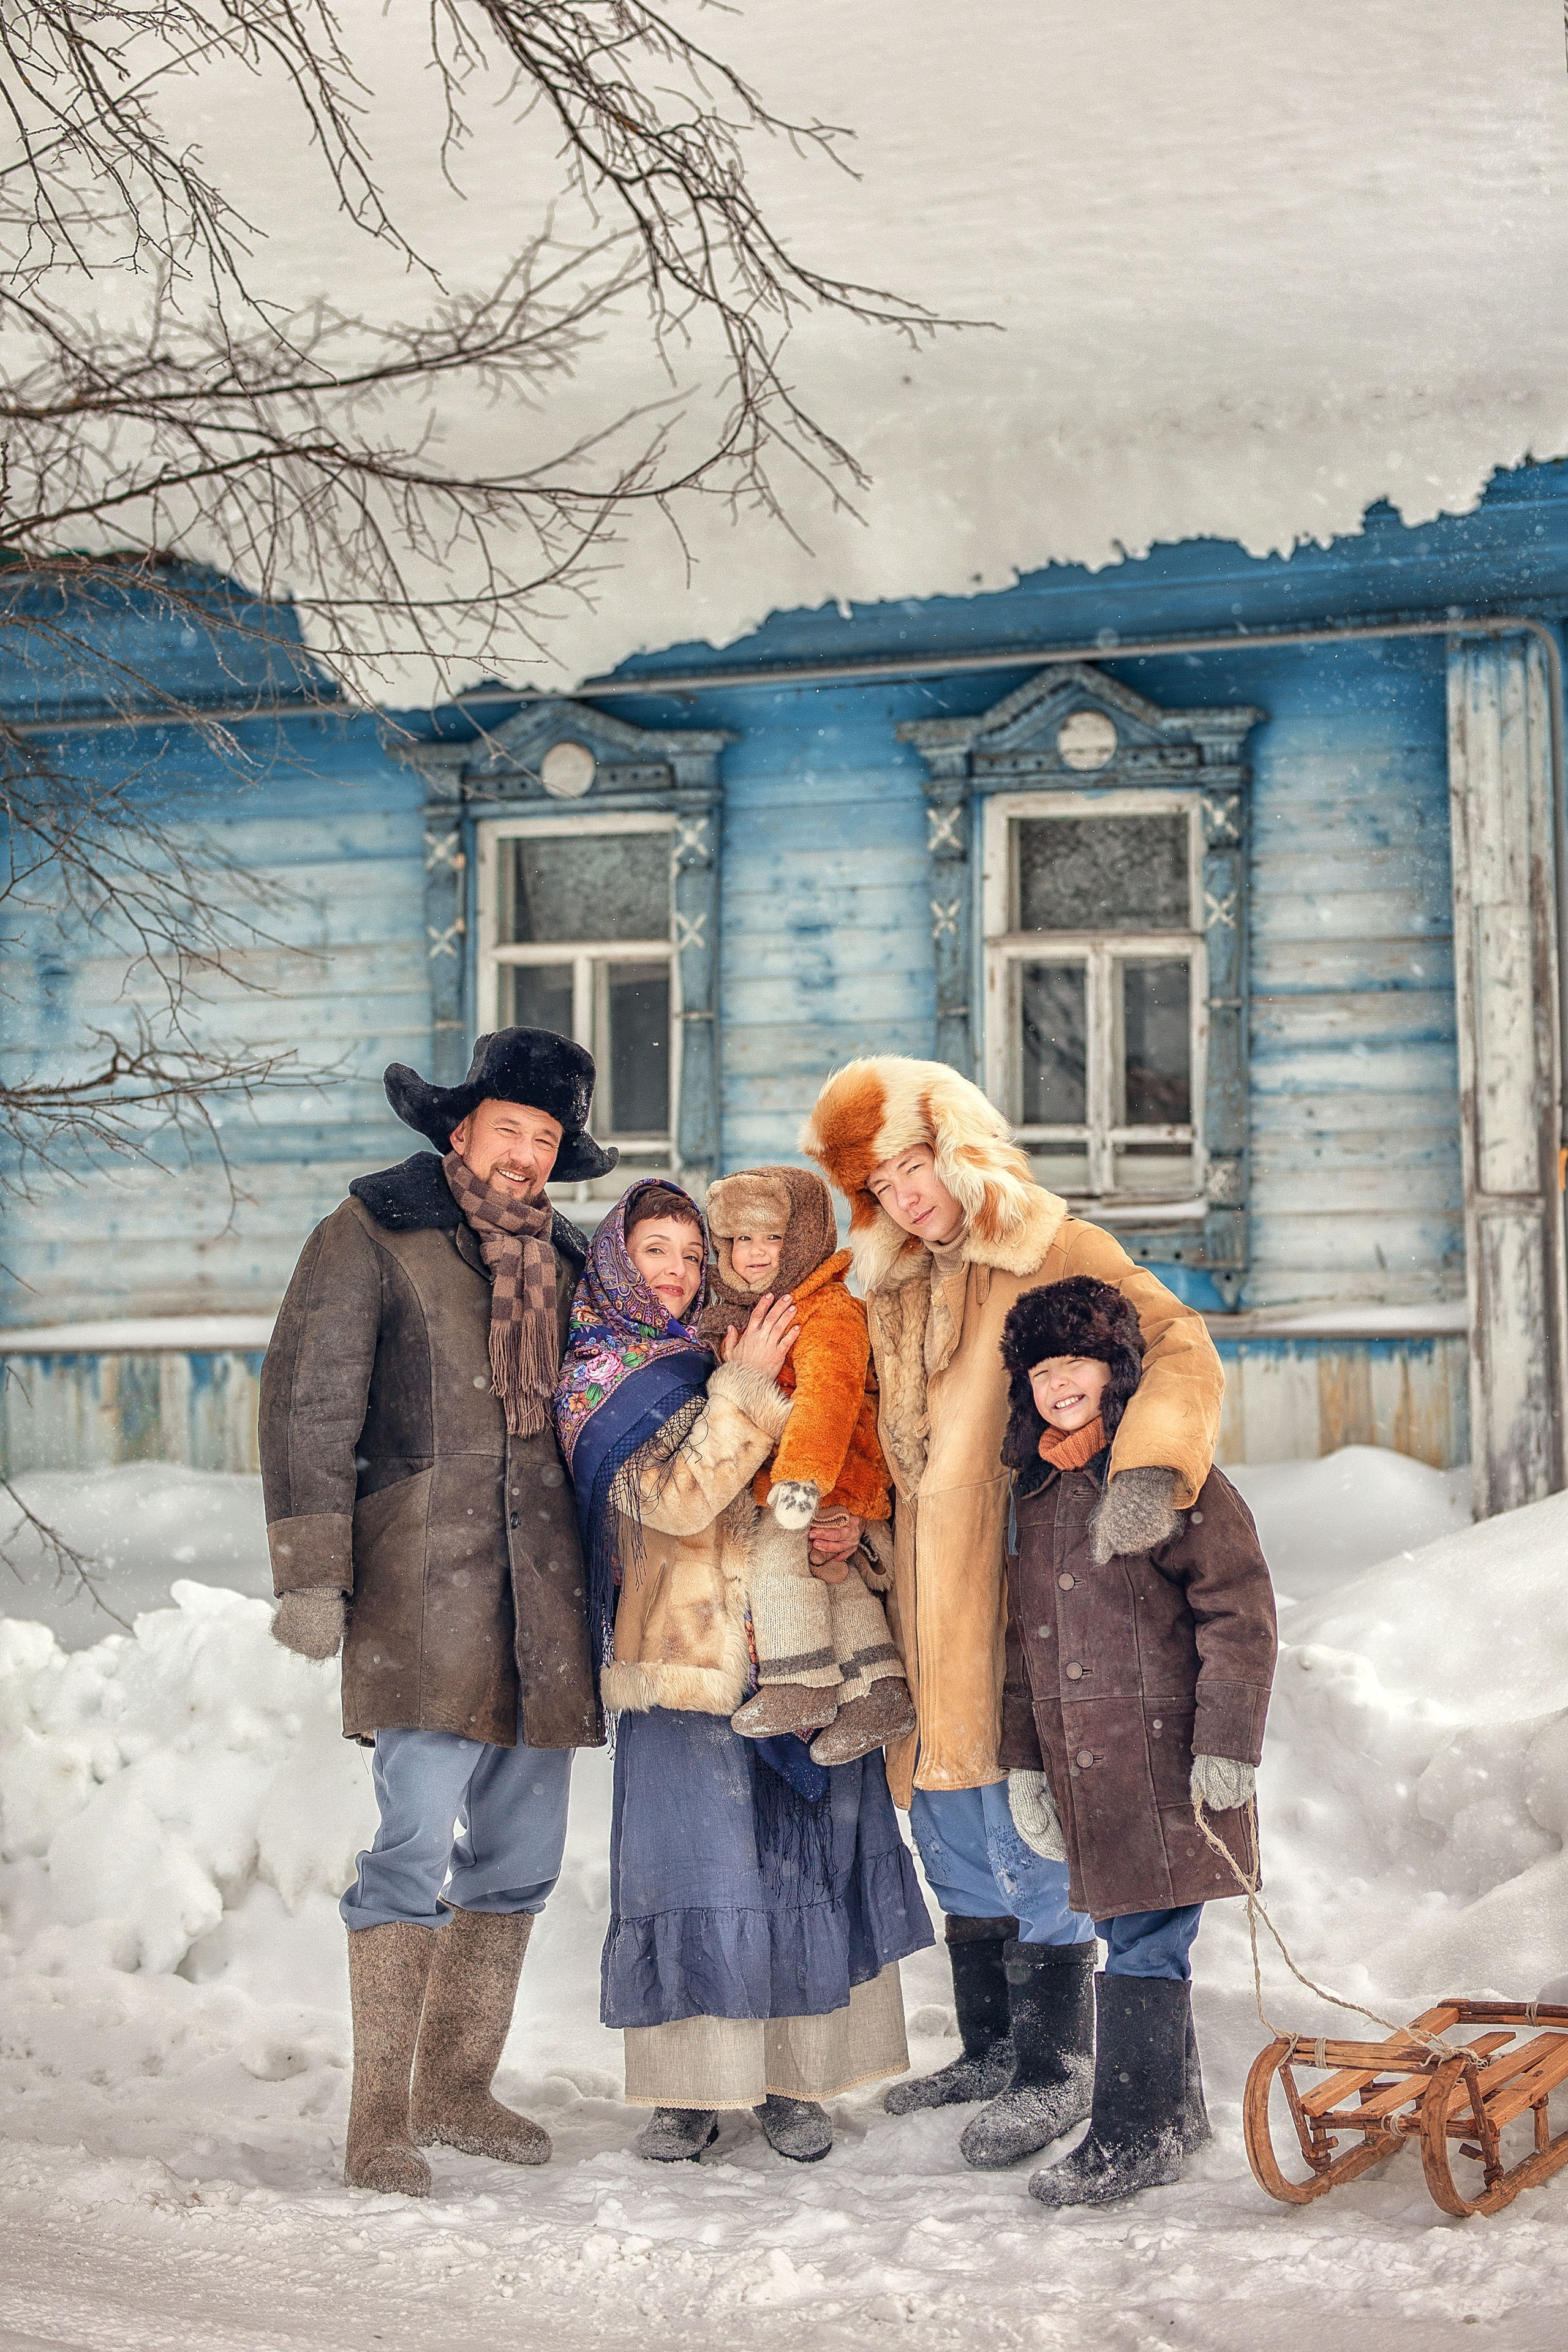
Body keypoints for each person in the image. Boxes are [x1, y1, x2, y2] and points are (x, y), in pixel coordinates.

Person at [799, 1055, 1226, 2171]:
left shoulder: (1050, 1247)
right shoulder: (881, 1277)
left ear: (962, 1146)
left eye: (914, 1165)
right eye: (879, 1183)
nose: (904, 1196)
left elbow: (1178, 1345)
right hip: (913, 1591)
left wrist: (1147, 1474)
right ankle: (993, 2042)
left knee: (1026, 1819)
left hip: (1020, 1582)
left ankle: (1059, 2063)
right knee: (948, 1825)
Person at [260, 1027, 615, 2196]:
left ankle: (458, 2085)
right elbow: (311, 1403)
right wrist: (313, 1570)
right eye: (510, 1129)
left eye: (546, 1138)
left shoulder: (568, 1261)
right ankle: (378, 2119)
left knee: (518, 1859)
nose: (525, 1155)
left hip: (548, 1599)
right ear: (461, 1128)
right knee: (411, 1845)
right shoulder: (370, 1231)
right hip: (425, 1587)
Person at [555, 1177, 935, 2165]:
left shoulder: (736, 1336)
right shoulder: (602, 1373)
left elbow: (823, 1455)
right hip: (678, 1656)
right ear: (617, 1260)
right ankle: (690, 2093)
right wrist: (750, 1389)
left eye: (693, 1252)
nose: (681, 1272)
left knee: (792, 1858)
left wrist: (849, 1523)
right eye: (658, 1252)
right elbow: (678, 1499)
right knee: (698, 1871)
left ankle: (795, 2080)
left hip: (786, 1642)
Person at [998, 1275, 1277, 2204]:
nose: (1058, 1383)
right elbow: (1020, 1646)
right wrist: (1025, 1765)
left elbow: (1238, 1610)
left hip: (1165, 1759)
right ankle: (1175, 2113)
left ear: (1115, 1369)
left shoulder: (1163, 1475)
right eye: (1040, 1368)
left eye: (1073, 1361)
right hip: (1088, 1768)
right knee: (1129, 1929)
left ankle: (1136, 2136)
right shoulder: (1035, 1488)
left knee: (1148, 1945)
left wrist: (1227, 1743)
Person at [698, 1164, 916, 1766]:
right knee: (830, 1580)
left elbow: (829, 1401)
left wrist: (798, 1485)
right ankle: (879, 1691)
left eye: (770, 1238)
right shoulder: (745, 1312)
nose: (753, 1255)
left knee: (777, 1556)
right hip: (803, 1482)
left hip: (826, 1476)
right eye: (739, 1240)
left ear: (803, 1238)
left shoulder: (826, 1310)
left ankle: (801, 1684)